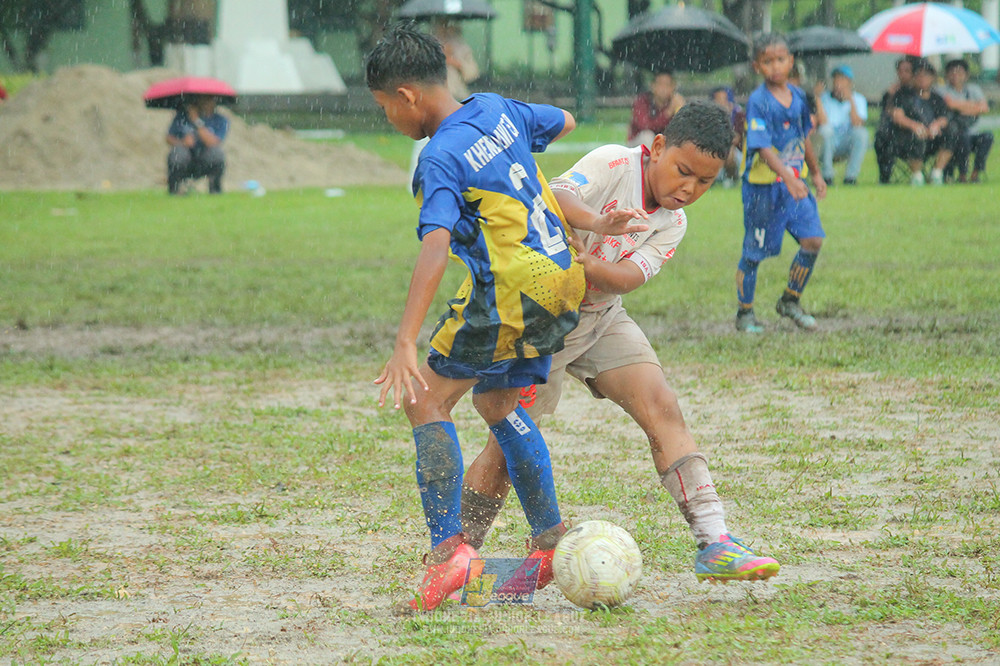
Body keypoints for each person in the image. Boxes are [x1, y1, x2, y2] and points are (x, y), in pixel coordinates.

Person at [365, 24, 645, 612]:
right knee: (494, 404)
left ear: (408, 96)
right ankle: (548, 543)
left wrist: (404, 340)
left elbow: (436, 242)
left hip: (513, 288)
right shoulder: (494, 109)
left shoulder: (439, 156)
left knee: (425, 400)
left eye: (384, 106)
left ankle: (450, 556)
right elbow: (563, 121)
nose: (388, 117)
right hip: (565, 276)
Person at [461, 102, 781, 586]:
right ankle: (457, 554)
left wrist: (586, 265)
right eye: (683, 171)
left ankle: (715, 541)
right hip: (542, 318)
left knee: (662, 406)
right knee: (509, 446)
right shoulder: (613, 163)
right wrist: (596, 221)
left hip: (601, 318)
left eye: (705, 182)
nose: (688, 189)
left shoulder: (673, 224)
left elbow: (628, 278)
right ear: (656, 148)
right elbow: (556, 195)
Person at [736, 33, 827, 334]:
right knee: (755, 252)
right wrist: (788, 177)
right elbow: (762, 148)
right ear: (757, 66)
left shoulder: (799, 97)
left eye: (781, 59)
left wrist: (814, 173)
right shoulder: (759, 102)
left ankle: (790, 300)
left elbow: (803, 137)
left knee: (812, 239)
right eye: (767, 61)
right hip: (764, 188)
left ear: (791, 61)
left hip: (795, 185)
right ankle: (745, 313)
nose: (775, 66)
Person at [875, 58, 957, 186]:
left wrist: (935, 125)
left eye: (926, 75)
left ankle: (937, 172)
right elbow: (897, 116)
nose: (922, 78)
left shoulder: (937, 98)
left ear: (932, 78)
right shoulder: (902, 95)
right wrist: (914, 126)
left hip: (932, 139)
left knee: (952, 132)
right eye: (919, 75)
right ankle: (917, 174)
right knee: (916, 136)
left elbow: (944, 117)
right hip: (907, 139)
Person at [938, 58, 993, 183]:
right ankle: (962, 174)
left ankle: (976, 172)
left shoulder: (973, 89)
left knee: (987, 137)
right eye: (952, 72)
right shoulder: (942, 90)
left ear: (966, 75)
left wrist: (961, 107)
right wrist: (974, 106)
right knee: (963, 138)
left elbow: (984, 108)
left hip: (972, 132)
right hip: (954, 134)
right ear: (947, 74)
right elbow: (950, 104)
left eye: (959, 72)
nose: (955, 76)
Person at [816, 65, 868, 186]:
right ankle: (827, 176)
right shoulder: (825, 99)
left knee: (862, 134)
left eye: (842, 80)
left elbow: (857, 123)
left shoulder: (858, 99)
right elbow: (822, 123)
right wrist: (817, 98)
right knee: (826, 131)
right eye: (836, 79)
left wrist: (850, 100)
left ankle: (851, 177)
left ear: (849, 82)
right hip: (828, 142)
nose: (838, 83)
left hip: (846, 142)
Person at [165, 94, 228, 195]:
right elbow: (169, 138)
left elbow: (212, 142)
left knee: (217, 154)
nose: (206, 103)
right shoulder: (182, 117)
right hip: (185, 157)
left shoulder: (220, 120)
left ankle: (215, 189)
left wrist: (196, 120)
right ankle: (175, 189)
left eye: (209, 100)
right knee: (177, 154)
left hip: (205, 157)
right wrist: (182, 142)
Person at [874, 56, 918, 184]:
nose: (903, 74)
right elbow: (887, 113)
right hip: (894, 134)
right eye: (900, 71)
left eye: (907, 71)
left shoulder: (919, 92)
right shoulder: (893, 93)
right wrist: (890, 96)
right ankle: (885, 176)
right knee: (882, 138)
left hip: (914, 135)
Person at [628, 71, 686, 148]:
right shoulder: (642, 101)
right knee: (647, 136)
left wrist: (681, 111)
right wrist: (668, 112)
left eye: (667, 85)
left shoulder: (675, 102)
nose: (663, 88)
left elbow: (682, 129)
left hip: (663, 144)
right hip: (639, 145)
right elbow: (645, 126)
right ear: (653, 86)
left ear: (673, 87)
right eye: (660, 84)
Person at [710, 86, 746, 187]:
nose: (722, 104)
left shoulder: (738, 115)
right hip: (714, 154)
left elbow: (736, 138)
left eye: (724, 100)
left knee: (729, 151)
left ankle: (731, 178)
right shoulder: (708, 118)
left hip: (736, 155)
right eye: (718, 100)